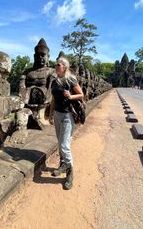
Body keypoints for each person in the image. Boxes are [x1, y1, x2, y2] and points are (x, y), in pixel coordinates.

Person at [49, 57, 84, 190]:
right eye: (55, 65)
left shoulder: (71, 80)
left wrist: (71, 96)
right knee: (60, 142)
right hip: (57, 114)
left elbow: (81, 95)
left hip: (67, 115)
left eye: (59, 65)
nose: (56, 67)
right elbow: (53, 100)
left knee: (64, 145)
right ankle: (63, 164)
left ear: (65, 67)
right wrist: (50, 114)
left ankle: (70, 173)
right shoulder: (54, 82)